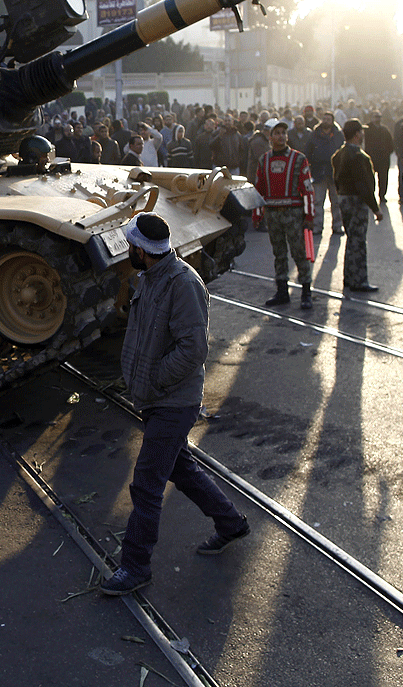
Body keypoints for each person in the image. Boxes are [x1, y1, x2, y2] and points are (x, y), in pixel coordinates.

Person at [98, 213, 252, 596]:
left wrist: (153, 379)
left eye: (129, 247)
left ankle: (135, 567)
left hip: (172, 401)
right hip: (155, 398)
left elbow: (193, 349)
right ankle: (231, 524)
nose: (127, 252)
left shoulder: (183, 284)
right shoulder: (148, 278)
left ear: (140, 249)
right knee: (180, 469)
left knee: (147, 486)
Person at [255, 119, 316, 309]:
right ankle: (282, 291)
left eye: (283, 132)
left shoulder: (299, 159)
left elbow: (307, 189)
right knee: (279, 253)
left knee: (299, 253)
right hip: (273, 214)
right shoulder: (263, 160)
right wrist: (257, 215)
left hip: (294, 214)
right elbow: (259, 189)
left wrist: (309, 216)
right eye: (277, 133)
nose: (281, 136)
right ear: (270, 136)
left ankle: (306, 291)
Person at [330, 119, 382, 292]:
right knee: (358, 242)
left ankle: (349, 278)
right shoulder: (359, 156)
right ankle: (359, 280)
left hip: (344, 198)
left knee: (351, 240)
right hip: (356, 201)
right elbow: (364, 186)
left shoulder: (340, 154)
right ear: (357, 134)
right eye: (361, 132)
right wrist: (375, 208)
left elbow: (336, 179)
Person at [308, 110, 344, 239]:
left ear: (332, 121)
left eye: (329, 119)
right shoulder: (314, 135)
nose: (326, 121)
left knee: (336, 201)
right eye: (324, 118)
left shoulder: (338, 135)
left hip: (335, 173)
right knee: (318, 201)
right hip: (319, 173)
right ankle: (317, 226)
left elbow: (342, 151)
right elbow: (308, 153)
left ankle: (337, 225)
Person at [362, 111, 395, 205]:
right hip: (370, 158)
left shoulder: (385, 129)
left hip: (383, 158)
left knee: (383, 178)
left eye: (379, 117)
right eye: (376, 117)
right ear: (371, 118)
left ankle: (382, 195)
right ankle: (370, 196)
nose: (378, 119)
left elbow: (391, 143)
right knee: (369, 179)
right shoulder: (366, 129)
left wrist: (388, 152)